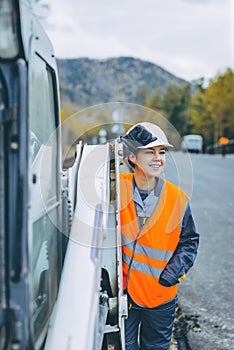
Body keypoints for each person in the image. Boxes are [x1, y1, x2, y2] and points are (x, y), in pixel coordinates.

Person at [119, 122, 199, 350]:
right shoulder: (116, 190)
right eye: (149, 152)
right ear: (133, 157)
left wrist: (171, 275)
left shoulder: (177, 199)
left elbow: (189, 241)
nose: (158, 158)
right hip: (126, 296)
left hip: (160, 296)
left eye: (161, 152)